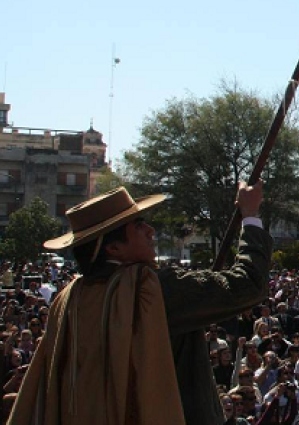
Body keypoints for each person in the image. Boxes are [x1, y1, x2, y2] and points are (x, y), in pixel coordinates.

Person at [10, 181, 272, 425]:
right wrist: (250, 215)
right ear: (112, 248)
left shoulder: (68, 300)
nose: (150, 230)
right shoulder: (149, 289)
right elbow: (249, 283)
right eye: (138, 224)